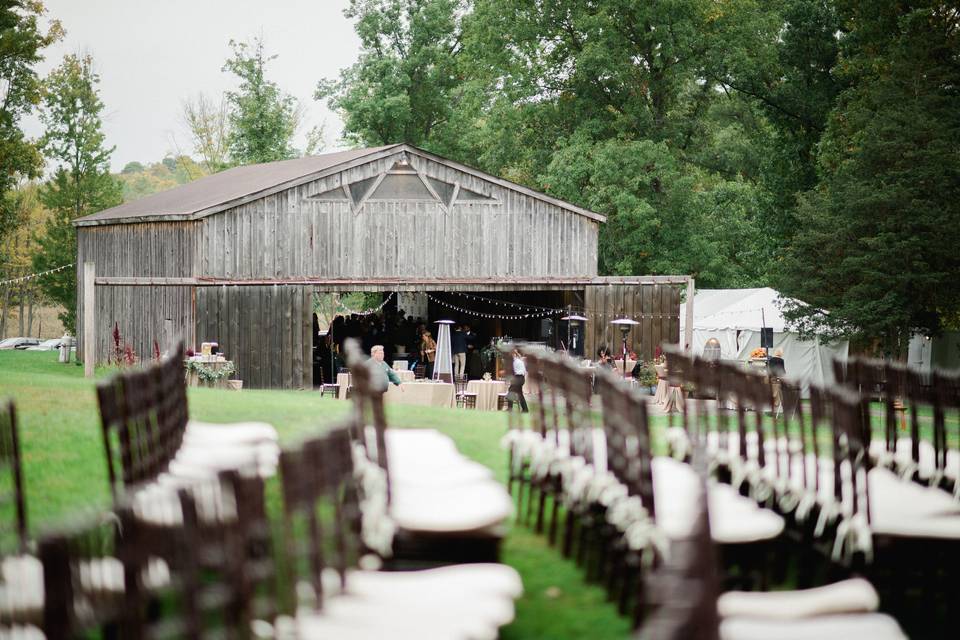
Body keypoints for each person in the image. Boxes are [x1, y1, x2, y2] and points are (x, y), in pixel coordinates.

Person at [507, 347, 529, 413]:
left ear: (513, 354)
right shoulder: (517, 361)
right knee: (520, 394)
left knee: (510, 391)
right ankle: (525, 409)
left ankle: (510, 409)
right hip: (521, 378)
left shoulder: (515, 361)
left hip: (518, 378)